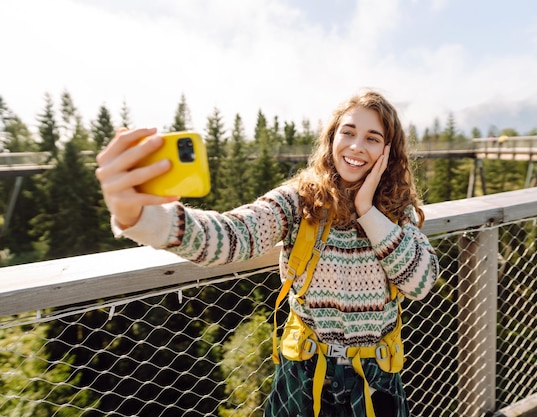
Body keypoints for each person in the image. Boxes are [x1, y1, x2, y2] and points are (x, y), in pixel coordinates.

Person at [96, 89, 439, 417]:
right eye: (347, 132)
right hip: (304, 375)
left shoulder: (396, 212)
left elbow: (420, 283)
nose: (356, 145)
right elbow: (233, 236)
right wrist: (141, 217)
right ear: (331, 139)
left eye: (372, 138)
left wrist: (367, 209)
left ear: (387, 152)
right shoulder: (301, 200)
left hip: (374, 379)